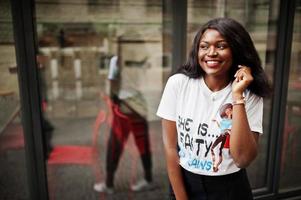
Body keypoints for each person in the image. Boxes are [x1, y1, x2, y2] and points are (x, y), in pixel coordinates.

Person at [156, 17, 271, 200]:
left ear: (236, 50)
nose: (211, 53)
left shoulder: (249, 93)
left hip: (229, 189)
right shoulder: (178, 84)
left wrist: (237, 97)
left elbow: (242, 159)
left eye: (221, 46)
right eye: (204, 46)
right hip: (184, 182)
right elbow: (171, 148)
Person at [94, 47, 153, 193]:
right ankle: (148, 179)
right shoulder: (138, 59)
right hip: (137, 106)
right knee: (141, 144)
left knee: (115, 145)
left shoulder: (118, 61)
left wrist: (113, 101)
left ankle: (109, 184)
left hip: (126, 108)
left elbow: (112, 83)